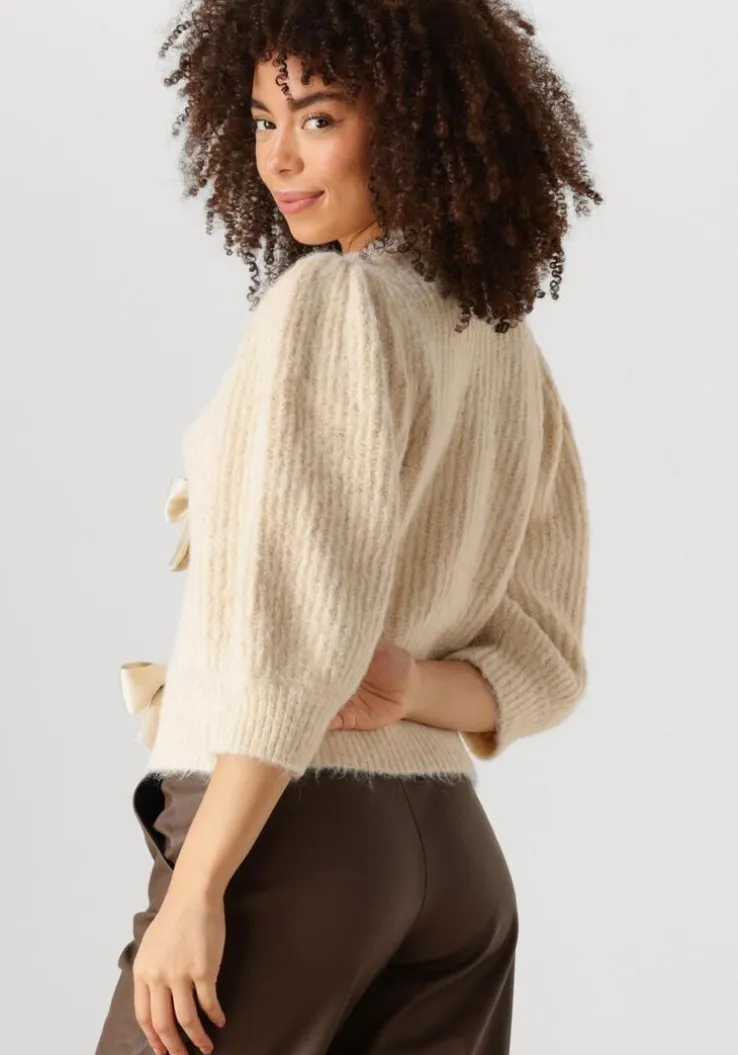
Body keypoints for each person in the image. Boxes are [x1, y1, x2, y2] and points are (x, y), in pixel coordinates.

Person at [94, 0, 601, 1052]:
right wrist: (412, 689)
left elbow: (293, 636)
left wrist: (199, 885)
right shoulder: (503, 344)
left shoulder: (332, 301)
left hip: (290, 844)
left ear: (410, 119)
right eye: (262, 120)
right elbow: (544, 662)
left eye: (319, 118)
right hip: (455, 867)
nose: (279, 157)